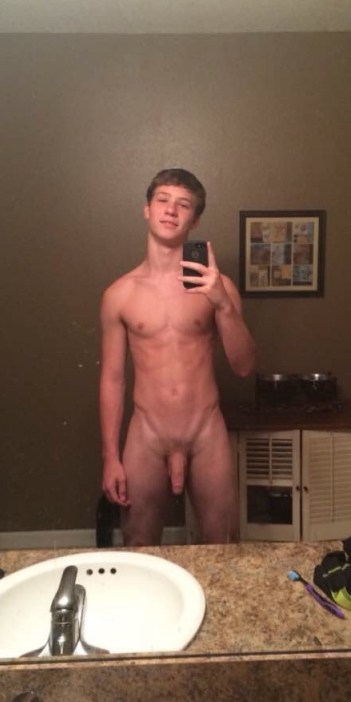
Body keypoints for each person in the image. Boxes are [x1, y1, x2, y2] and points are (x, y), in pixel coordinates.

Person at [99, 168, 257, 546]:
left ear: (195, 219)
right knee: (139, 544)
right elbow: (113, 379)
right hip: (147, 432)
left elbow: (244, 366)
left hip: (205, 429)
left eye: (183, 205)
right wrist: (110, 457)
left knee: (223, 544)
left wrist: (223, 304)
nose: (171, 210)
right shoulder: (119, 294)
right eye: (163, 200)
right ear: (147, 209)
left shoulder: (219, 288)